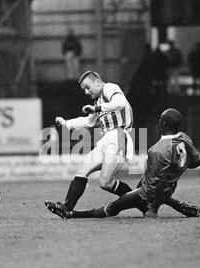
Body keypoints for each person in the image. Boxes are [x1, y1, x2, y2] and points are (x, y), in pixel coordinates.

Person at [46, 108, 200, 219]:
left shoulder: (157, 150)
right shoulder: (184, 138)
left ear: (163, 124)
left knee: (110, 208)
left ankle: (72, 214)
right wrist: (178, 168)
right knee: (141, 192)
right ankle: (182, 206)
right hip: (169, 188)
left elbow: (153, 187)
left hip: (150, 193)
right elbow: (196, 161)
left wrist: (152, 210)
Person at [45, 70, 135, 214]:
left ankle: (141, 202)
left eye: (88, 87)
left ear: (97, 82)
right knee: (82, 169)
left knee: (105, 183)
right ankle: (66, 208)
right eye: (84, 89)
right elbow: (89, 122)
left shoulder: (109, 88)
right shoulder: (98, 101)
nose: (86, 92)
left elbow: (121, 102)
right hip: (107, 139)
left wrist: (97, 108)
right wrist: (66, 123)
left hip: (118, 136)